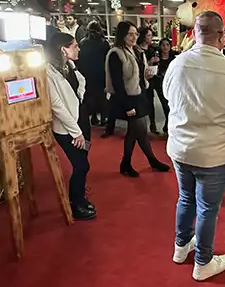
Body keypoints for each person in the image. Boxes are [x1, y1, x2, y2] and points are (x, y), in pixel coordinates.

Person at [163, 11, 225, 281]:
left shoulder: (177, 64)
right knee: (207, 209)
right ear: (222, 36)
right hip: (214, 153)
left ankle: (180, 248)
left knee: (185, 198)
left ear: (194, 33)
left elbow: (167, 97)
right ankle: (203, 261)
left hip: (180, 149)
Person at [106, 21, 170, 177]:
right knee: (139, 130)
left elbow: (139, 74)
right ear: (122, 35)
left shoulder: (137, 51)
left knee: (138, 131)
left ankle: (127, 163)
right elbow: (117, 83)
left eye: (135, 33)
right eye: (130, 34)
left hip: (140, 94)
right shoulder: (116, 53)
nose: (134, 37)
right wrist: (127, 106)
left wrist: (146, 75)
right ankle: (149, 160)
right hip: (127, 98)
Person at [45, 32, 95, 221]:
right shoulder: (48, 72)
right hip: (67, 128)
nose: (78, 48)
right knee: (81, 165)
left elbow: (80, 82)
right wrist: (76, 133)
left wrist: (81, 96)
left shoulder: (69, 65)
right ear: (63, 49)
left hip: (80, 118)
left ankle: (80, 197)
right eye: (74, 46)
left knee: (83, 162)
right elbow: (57, 105)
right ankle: (75, 204)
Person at [77, 21, 110, 126]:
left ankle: (93, 117)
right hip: (100, 73)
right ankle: (104, 118)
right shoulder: (104, 43)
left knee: (90, 96)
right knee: (101, 97)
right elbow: (107, 60)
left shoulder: (83, 43)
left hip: (87, 73)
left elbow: (79, 59)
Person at [137, 26, 161, 134]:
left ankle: (152, 124)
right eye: (149, 35)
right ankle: (140, 126)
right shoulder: (136, 50)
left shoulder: (152, 50)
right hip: (139, 80)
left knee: (150, 102)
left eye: (151, 35)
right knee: (141, 103)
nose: (151, 38)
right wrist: (150, 62)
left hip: (151, 79)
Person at [153, 37, 177, 135]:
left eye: (167, 45)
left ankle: (168, 126)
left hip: (172, 86)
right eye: (163, 45)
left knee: (171, 107)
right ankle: (167, 125)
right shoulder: (157, 60)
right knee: (165, 106)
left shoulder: (174, 59)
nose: (165, 47)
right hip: (160, 86)